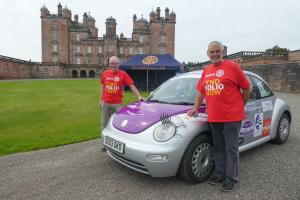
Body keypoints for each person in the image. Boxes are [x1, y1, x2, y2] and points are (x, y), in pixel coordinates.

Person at [187, 41, 251, 192]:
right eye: (211, 52)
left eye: (217, 51)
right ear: (208, 54)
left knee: (231, 149)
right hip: (214, 117)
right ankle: (220, 174)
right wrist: (196, 107)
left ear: (223, 52)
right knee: (219, 148)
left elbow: (247, 88)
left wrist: (240, 105)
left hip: (231, 117)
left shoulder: (233, 67)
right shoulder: (207, 70)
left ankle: (231, 178)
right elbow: (201, 92)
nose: (214, 54)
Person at [100, 56, 144, 151]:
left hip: (117, 105)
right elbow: (103, 87)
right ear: (109, 64)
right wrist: (101, 100)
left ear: (119, 64)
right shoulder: (105, 73)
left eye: (115, 63)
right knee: (104, 123)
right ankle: (104, 144)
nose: (114, 65)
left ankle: (117, 145)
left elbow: (131, 85)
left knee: (119, 125)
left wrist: (138, 96)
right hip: (106, 103)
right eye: (112, 63)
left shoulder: (123, 74)